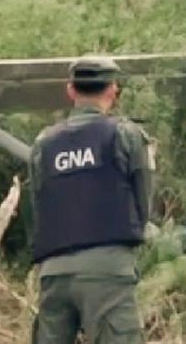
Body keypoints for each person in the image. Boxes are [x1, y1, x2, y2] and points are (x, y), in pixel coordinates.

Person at [28, 56, 154, 344]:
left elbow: (36, 208)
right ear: (113, 89)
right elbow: (143, 202)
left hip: (53, 272)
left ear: (70, 90)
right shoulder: (125, 135)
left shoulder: (42, 145)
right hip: (108, 269)